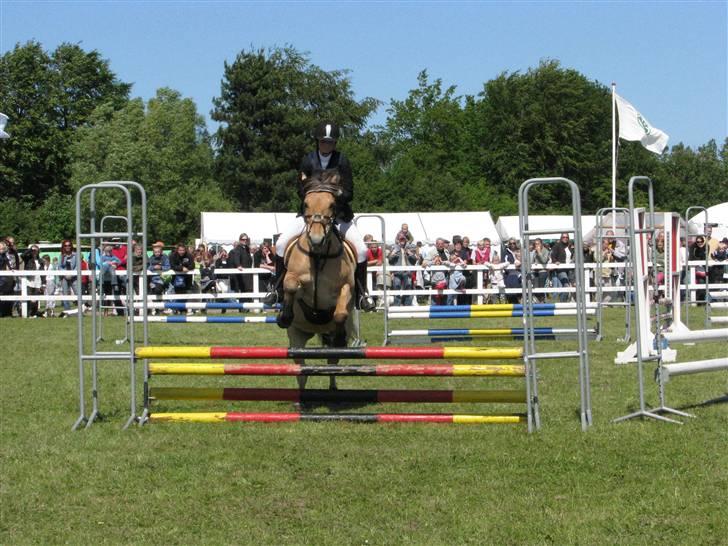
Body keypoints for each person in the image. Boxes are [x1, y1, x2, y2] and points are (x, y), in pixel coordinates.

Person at [264, 121, 375, 311]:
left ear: (335, 143)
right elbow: (300, 189)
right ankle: (276, 290)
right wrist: (315, 196)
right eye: (324, 142)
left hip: (336, 214)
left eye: (330, 142)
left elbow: (349, 192)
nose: (327, 145)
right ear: (318, 141)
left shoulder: (342, 161)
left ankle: (362, 294)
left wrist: (333, 196)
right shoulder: (308, 160)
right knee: (282, 244)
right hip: (309, 215)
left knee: (362, 250)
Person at [388, 233, 417, 306]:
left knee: (408, 286)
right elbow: (390, 261)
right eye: (400, 239)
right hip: (397, 272)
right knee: (396, 286)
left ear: (406, 240)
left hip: (407, 272)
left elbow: (414, 260)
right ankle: (397, 305)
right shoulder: (394, 248)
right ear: (398, 240)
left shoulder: (410, 248)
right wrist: (392, 255)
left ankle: (407, 305)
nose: (402, 241)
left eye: (403, 239)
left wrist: (410, 253)